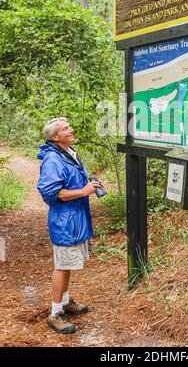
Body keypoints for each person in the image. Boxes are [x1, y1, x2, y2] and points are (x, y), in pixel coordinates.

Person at [37, 117, 102, 334]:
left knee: (68, 264)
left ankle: (64, 301)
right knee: (62, 265)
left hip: (76, 218)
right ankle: (55, 313)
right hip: (65, 222)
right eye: (66, 128)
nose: (71, 130)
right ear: (55, 137)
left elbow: (71, 184)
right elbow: (50, 192)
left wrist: (87, 185)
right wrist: (83, 191)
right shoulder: (53, 160)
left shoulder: (69, 153)